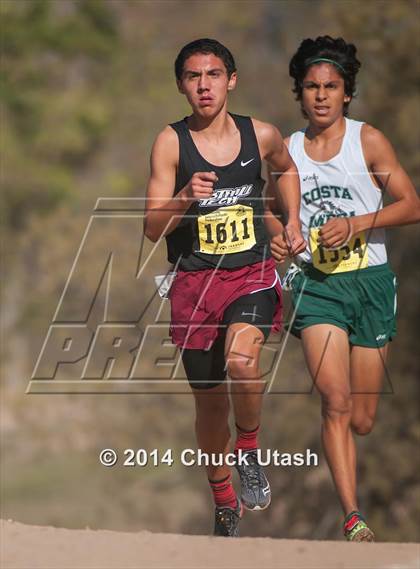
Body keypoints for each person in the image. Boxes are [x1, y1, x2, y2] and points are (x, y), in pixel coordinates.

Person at [144, 38, 305, 537]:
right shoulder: (171, 143)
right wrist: (185, 199)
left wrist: (293, 221)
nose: (204, 85)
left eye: (213, 75)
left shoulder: (261, 134)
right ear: (181, 86)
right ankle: (223, 499)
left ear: (231, 80)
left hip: (251, 274)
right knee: (210, 405)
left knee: (243, 361)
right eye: (193, 77)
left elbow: (286, 169)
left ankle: (250, 449)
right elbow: (151, 227)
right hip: (194, 282)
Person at [267, 35, 420, 541]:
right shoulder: (288, 150)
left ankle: (354, 476)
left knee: (362, 418)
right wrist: (284, 237)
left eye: (331, 86)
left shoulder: (368, 141)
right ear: (300, 93)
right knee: (333, 399)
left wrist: (357, 223)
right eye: (311, 86)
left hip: (371, 282)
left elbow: (411, 205)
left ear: (347, 92)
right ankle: (353, 518)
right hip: (317, 286)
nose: (321, 96)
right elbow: (271, 209)